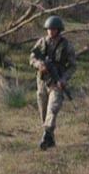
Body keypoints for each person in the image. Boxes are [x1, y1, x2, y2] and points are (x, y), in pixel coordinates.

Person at [29, 16, 76, 150]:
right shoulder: (41, 42)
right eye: (49, 29)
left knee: (52, 109)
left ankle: (46, 135)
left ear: (59, 30)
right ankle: (50, 138)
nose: (51, 31)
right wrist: (39, 65)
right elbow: (32, 57)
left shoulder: (66, 45)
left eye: (53, 29)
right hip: (42, 81)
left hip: (56, 82)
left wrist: (64, 79)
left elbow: (73, 66)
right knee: (43, 112)